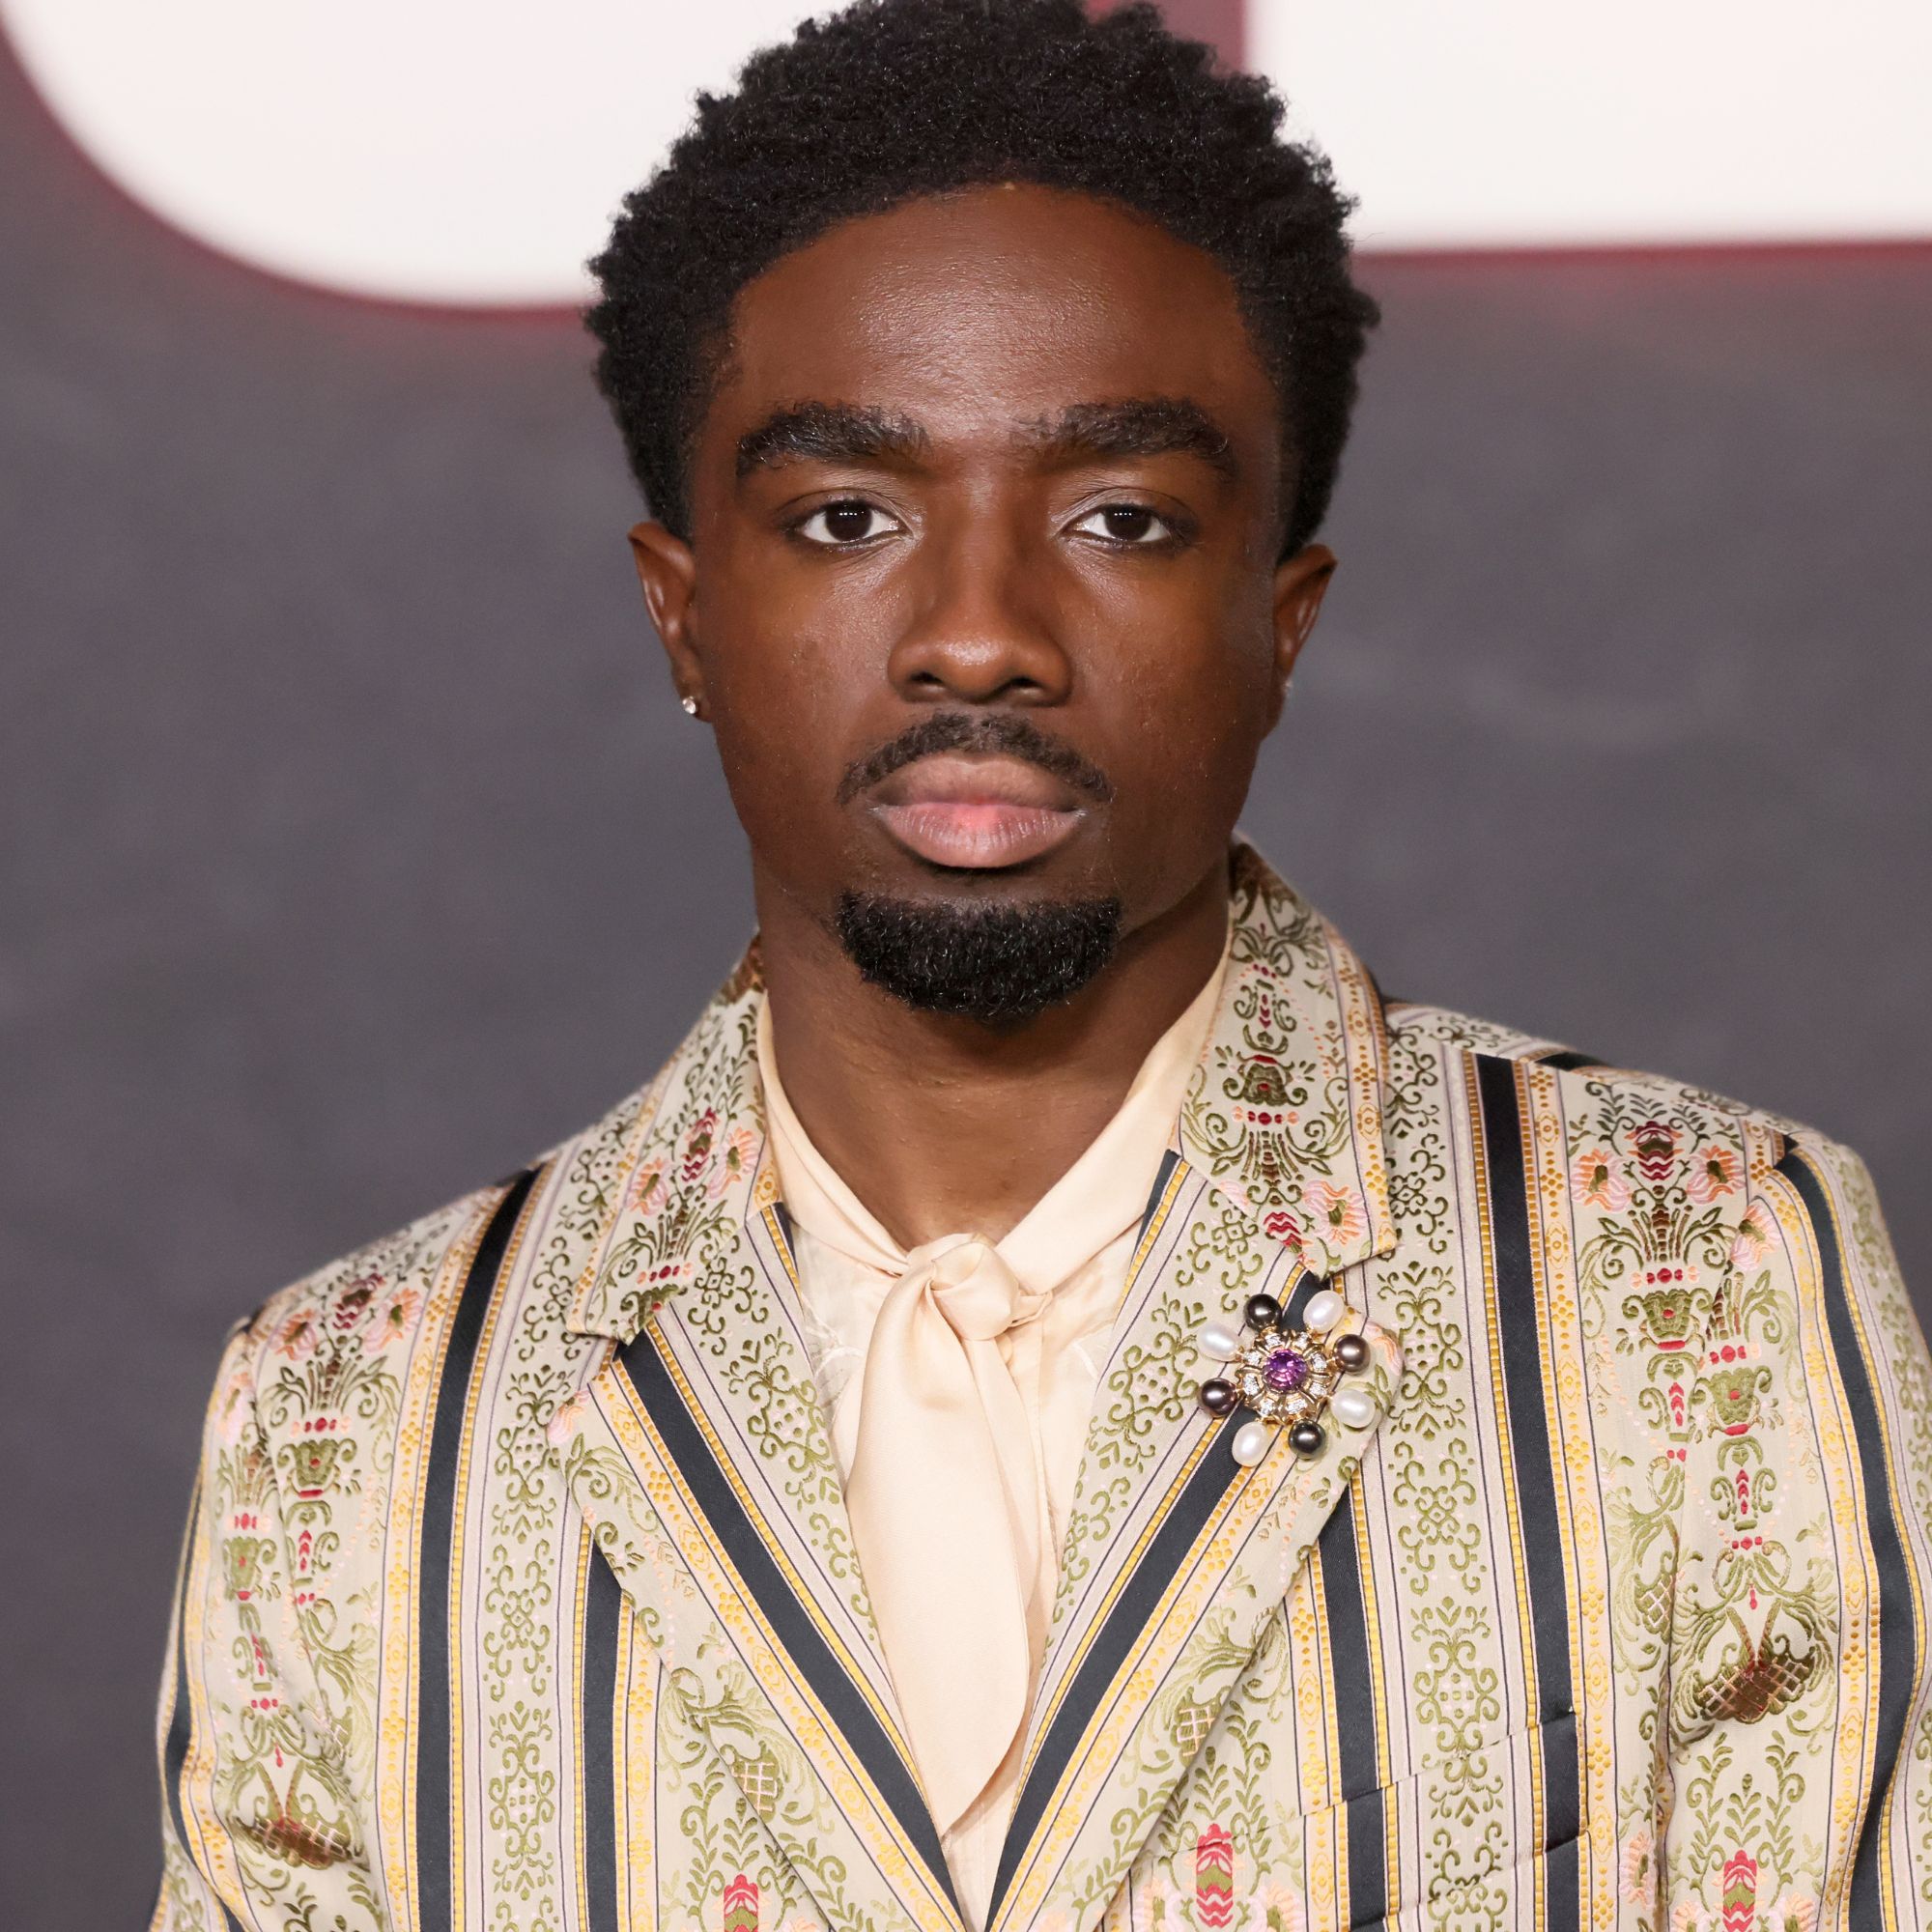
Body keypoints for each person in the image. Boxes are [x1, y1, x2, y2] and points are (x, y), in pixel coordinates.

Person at [150, 4, 1932, 1929]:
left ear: (1280, 620)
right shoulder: (353, 1417)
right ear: (684, 617)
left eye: (1118, 519)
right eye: (847, 517)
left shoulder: (1691, 1267)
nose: (980, 634)